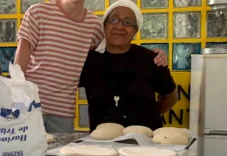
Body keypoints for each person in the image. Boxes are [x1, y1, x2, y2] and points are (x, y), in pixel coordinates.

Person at [14, 0, 168, 133]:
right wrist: (16, 103)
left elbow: (117, 46)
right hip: (28, 107)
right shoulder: (37, 13)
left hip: (62, 113)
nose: (118, 25)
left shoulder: (94, 26)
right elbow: (18, 68)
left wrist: (155, 55)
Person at [79, 0, 178, 131]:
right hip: (101, 143)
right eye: (113, 20)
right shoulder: (89, 60)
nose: (119, 27)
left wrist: (151, 116)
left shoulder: (151, 59)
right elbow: (64, 87)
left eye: (127, 22)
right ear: (104, 25)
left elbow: (171, 96)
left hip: (145, 142)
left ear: (135, 30)